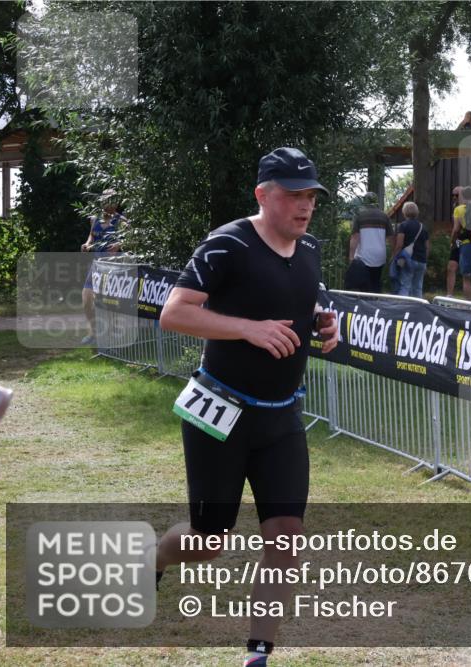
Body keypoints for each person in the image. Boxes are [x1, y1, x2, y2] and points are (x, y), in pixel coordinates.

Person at [156, 147, 339, 667]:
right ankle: (157, 556)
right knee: (207, 542)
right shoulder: (227, 244)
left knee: (285, 539)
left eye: (310, 197)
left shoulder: (309, 249)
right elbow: (174, 314)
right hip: (219, 412)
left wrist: (324, 323)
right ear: (263, 194)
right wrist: (246, 329)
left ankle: (258, 655)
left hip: (282, 416)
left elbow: (303, 299)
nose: (303, 207)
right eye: (292, 195)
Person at [80, 189, 126, 345]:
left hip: (114, 267)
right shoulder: (95, 219)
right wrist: (87, 244)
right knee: (86, 300)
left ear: (117, 203)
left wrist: (119, 244)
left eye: (112, 200)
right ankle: (93, 333)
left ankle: (112, 338)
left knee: (110, 303)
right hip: (96, 265)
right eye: (106, 199)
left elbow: (133, 239)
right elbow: (92, 235)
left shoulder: (122, 221)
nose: (108, 203)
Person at [345, 191, 392, 293]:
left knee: (363, 286)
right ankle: (375, 305)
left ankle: (364, 306)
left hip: (363, 257)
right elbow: (391, 238)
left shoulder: (360, 216)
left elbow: (355, 237)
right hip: (380, 257)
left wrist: (351, 256)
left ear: (364, 202)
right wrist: (392, 255)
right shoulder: (384, 216)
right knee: (376, 283)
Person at [391, 201, 430, 298]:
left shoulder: (403, 226)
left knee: (405, 285)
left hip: (408, 260)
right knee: (418, 287)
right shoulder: (423, 227)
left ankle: (403, 308)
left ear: (404, 212)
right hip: (421, 260)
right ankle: (417, 309)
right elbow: (428, 246)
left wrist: (394, 256)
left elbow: (399, 244)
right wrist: (425, 260)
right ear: (417, 212)